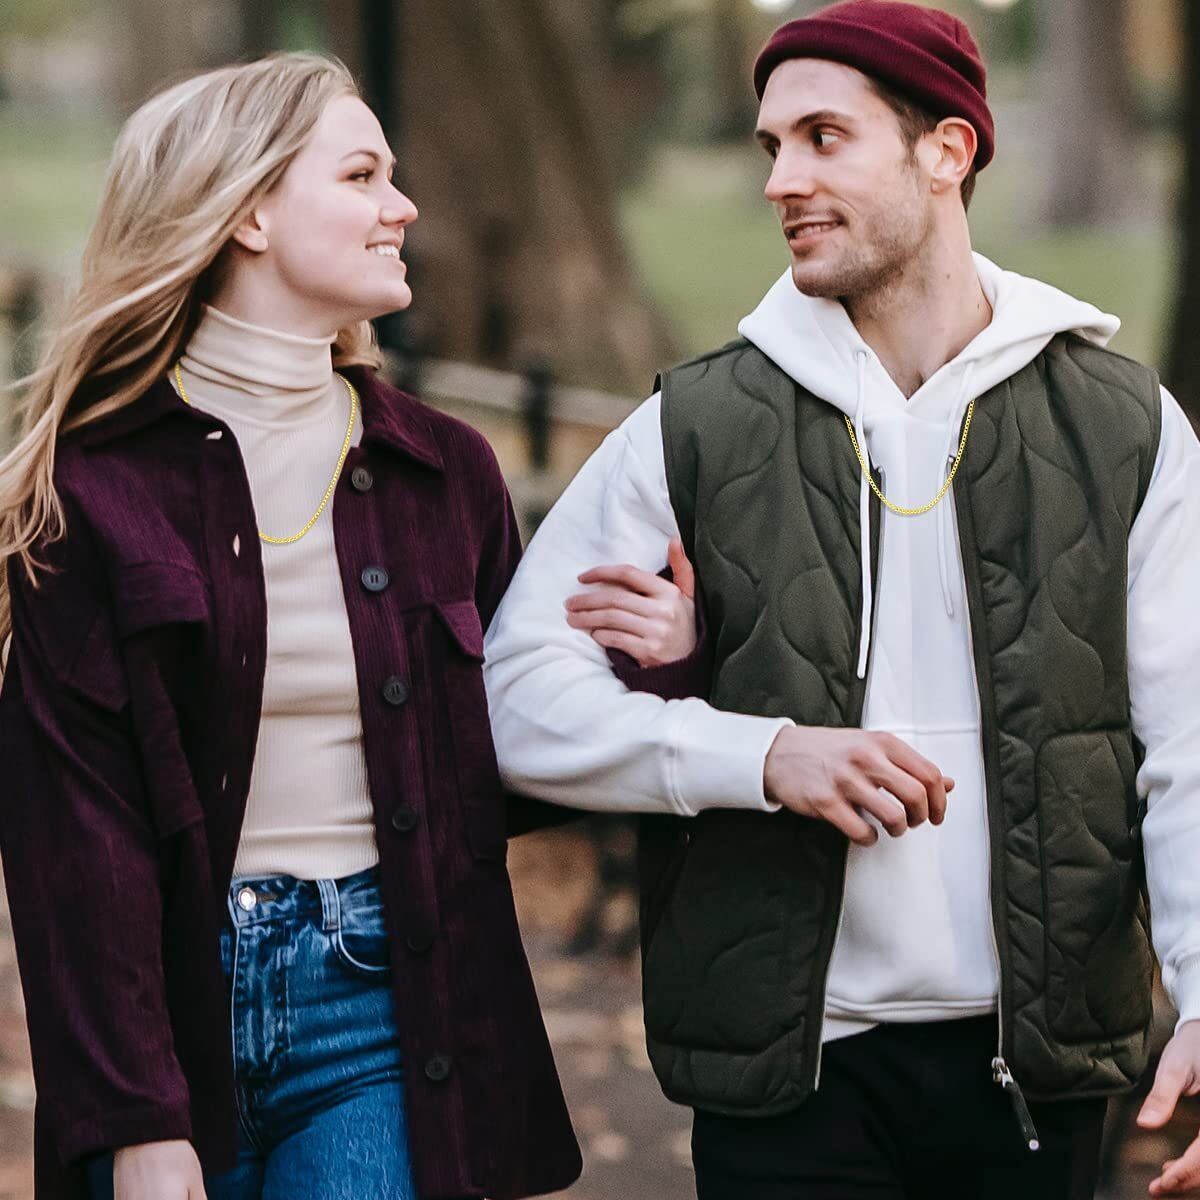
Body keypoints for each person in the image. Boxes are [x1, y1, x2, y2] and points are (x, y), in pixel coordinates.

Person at [482, 3, 1200, 1197]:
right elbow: (518, 697)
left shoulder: (1124, 429)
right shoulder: (696, 428)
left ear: (947, 150)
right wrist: (759, 756)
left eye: (823, 137)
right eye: (771, 145)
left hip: (1043, 1074)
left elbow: (1188, 740)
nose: (781, 179)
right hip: (790, 1075)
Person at [0, 53, 693, 1200]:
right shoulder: (88, 493)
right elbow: (77, 843)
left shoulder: (444, 472)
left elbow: (501, 755)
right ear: (251, 211)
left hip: (386, 1002)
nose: (404, 206)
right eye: (363, 175)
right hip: (170, 1004)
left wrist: (655, 667)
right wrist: (135, 1119)